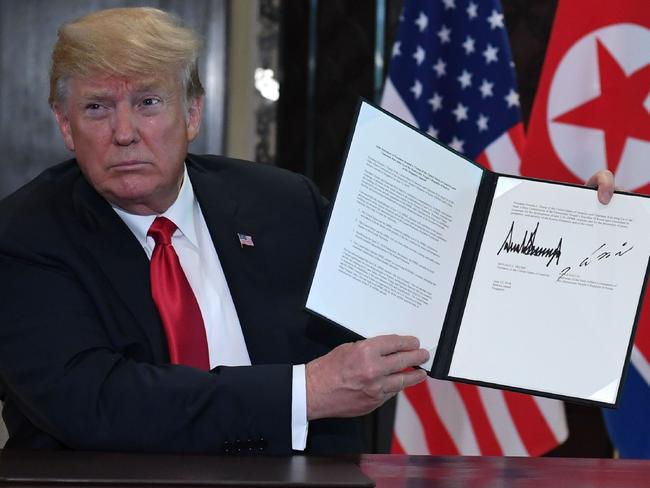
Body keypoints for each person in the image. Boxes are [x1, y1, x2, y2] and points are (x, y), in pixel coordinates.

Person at [0, 7, 614, 455]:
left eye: (149, 103)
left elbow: (435, 293)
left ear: (192, 114)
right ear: (63, 123)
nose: (125, 131)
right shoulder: (26, 234)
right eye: (98, 107)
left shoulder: (280, 203)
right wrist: (305, 393)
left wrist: (564, 233)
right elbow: (97, 404)